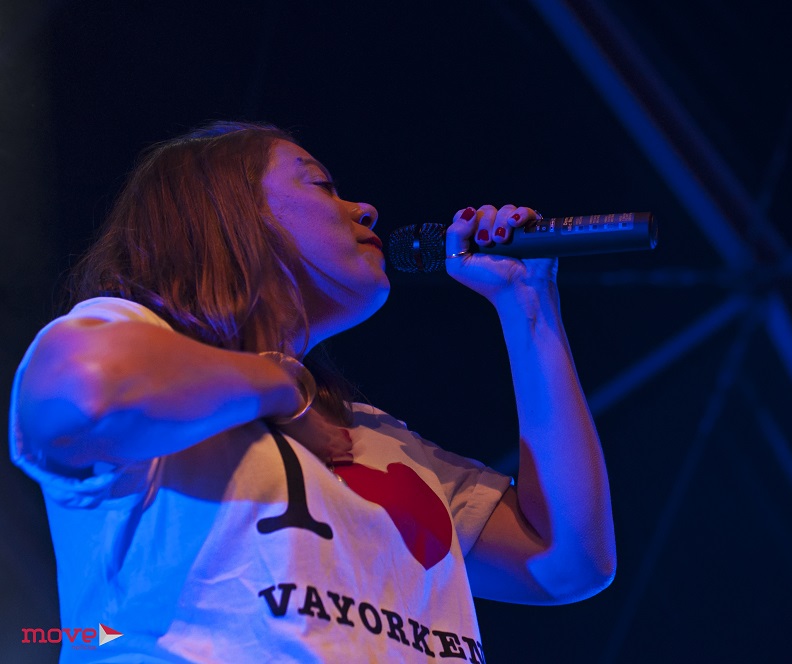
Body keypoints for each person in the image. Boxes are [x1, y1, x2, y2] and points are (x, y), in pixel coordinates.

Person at [9, 121, 615, 662]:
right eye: (323, 186)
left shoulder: (374, 438)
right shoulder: (129, 338)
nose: (366, 209)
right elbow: (83, 394)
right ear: (228, 216)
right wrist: (280, 384)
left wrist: (528, 303)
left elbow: (568, 560)